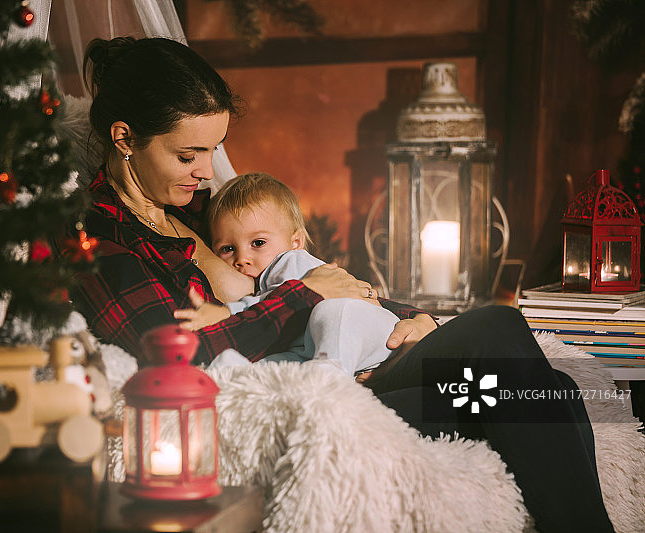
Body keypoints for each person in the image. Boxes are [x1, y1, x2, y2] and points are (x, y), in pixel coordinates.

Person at [66, 36, 615, 532]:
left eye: (213, 149)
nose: (208, 171)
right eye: (189, 155)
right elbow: (174, 360)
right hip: (273, 410)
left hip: (348, 368)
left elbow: (316, 277)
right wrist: (306, 298)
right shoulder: (103, 243)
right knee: (500, 333)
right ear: (125, 138)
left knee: (538, 389)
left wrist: (410, 318)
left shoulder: (202, 209)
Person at [174, 171, 400, 379]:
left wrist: (226, 312)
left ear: (296, 242)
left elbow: (280, 299)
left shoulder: (291, 260)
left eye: (258, 243)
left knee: (332, 311)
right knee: (268, 365)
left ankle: (331, 377)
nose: (241, 258)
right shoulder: (261, 278)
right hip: (312, 348)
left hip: (366, 329)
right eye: (227, 249)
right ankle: (235, 375)